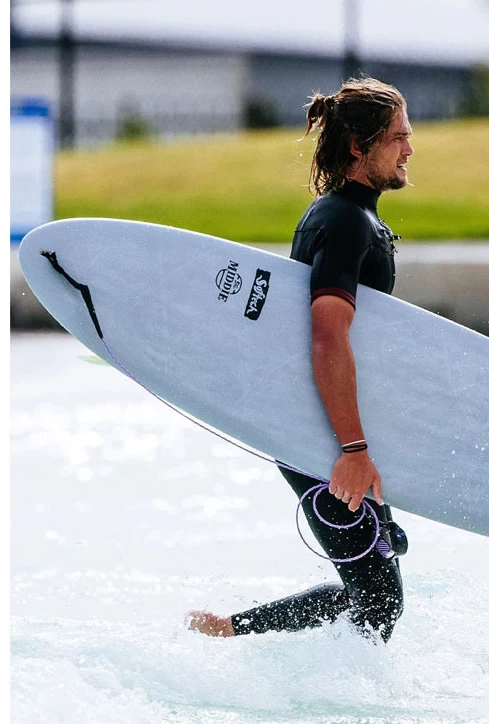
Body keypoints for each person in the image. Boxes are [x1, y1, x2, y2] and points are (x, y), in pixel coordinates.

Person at [187, 77, 414, 643]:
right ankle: (232, 638)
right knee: (380, 603)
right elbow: (327, 336)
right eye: (398, 137)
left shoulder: (350, 216)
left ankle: (229, 629)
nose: (410, 149)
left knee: (374, 595)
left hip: (326, 428)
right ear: (359, 146)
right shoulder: (343, 221)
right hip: (321, 438)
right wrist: (352, 451)